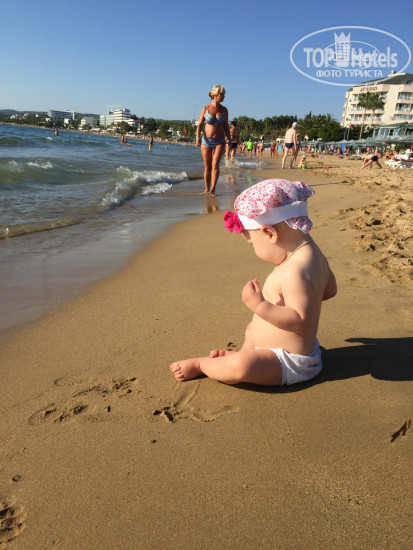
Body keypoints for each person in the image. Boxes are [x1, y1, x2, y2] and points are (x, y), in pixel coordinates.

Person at [170, 179, 337, 387]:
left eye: (252, 244)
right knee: (252, 330)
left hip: (288, 361)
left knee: (242, 366)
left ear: (269, 234)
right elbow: (330, 289)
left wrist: (260, 306)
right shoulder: (315, 256)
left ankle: (202, 365)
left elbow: (301, 321)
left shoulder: (294, 271)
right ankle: (246, 351)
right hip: (278, 351)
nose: (254, 249)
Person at [195, 85, 231, 194]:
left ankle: (213, 189)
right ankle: (207, 188)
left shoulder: (224, 110)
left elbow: (226, 127)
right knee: (207, 167)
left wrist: (229, 139)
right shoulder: (206, 108)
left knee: (215, 165)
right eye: (222, 94)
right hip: (206, 141)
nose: (224, 96)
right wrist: (197, 138)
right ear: (216, 95)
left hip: (220, 141)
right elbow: (200, 124)